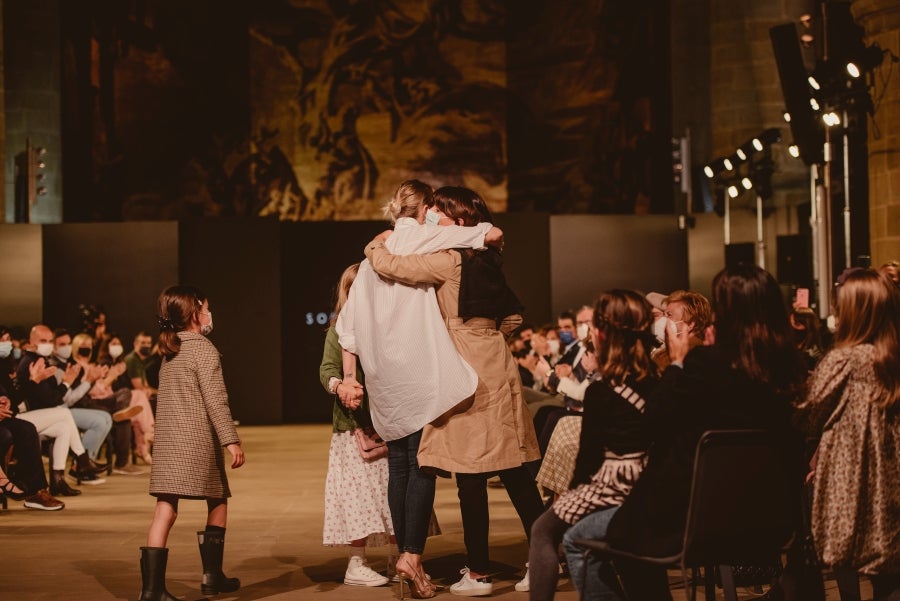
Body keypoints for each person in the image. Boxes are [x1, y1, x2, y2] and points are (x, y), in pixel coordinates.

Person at [559, 264, 807, 601]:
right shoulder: (788, 370)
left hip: (694, 520)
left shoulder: (705, 365)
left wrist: (677, 362)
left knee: (581, 539)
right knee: (627, 531)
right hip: (771, 520)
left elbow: (653, 422)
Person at [364, 186, 543, 597]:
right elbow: (513, 317)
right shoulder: (489, 260)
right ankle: (542, 556)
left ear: (458, 222)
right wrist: (486, 336)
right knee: (514, 471)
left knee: (470, 476)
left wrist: (376, 243)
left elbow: (392, 266)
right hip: (496, 364)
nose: (430, 218)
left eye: (438, 213)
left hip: (464, 373)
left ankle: (480, 572)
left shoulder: (448, 260)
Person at [336, 179, 502, 599]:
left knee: (398, 466)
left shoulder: (373, 260)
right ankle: (411, 554)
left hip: (384, 379)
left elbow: (346, 331)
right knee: (422, 463)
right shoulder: (426, 236)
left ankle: (406, 558)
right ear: (426, 206)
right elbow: (494, 233)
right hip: (420, 369)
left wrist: (353, 377)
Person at [528, 290, 659, 600]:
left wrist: (570, 499)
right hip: (651, 482)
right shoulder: (657, 380)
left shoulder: (602, 391)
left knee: (543, 530)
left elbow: (587, 461)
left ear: (600, 333)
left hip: (614, 482)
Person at [794, 268, 900, 601]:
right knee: (885, 555)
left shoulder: (842, 360)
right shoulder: (891, 358)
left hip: (850, 474)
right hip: (890, 473)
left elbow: (809, 417)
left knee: (845, 550)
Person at [139, 285, 245, 601]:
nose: (210, 313)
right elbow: (216, 400)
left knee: (165, 509)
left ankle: (151, 590)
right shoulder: (203, 349)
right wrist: (231, 440)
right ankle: (211, 576)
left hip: (169, 443)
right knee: (218, 500)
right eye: (207, 307)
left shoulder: (169, 350)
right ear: (195, 311)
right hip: (196, 442)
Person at [319, 263, 393, 588]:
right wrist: (341, 386)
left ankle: (398, 557)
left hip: (389, 424)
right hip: (354, 429)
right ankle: (356, 562)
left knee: (393, 493)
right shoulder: (339, 330)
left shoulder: (387, 327)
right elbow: (327, 370)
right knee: (358, 496)